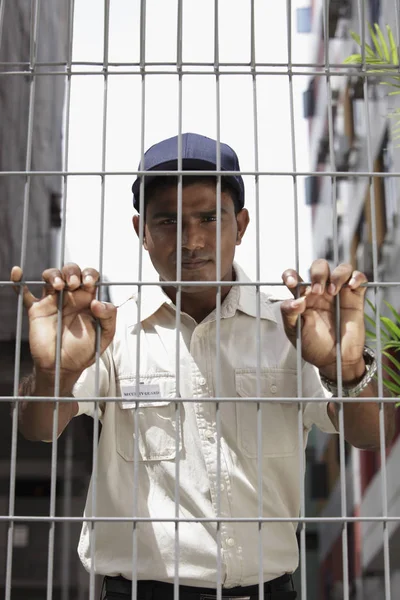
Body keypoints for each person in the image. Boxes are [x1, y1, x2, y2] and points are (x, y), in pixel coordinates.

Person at [11, 133, 394, 600]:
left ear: (242, 224)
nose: (191, 240)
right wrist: (55, 374)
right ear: (142, 232)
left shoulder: (293, 326)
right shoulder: (110, 330)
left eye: (210, 218)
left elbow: (369, 433)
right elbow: (38, 429)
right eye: (168, 221)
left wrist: (347, 367)